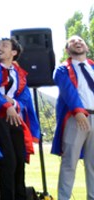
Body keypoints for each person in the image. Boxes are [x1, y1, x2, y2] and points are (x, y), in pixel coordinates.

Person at [0, 37, 39, 200]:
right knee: (8, 160)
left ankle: (20, 196)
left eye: (4, 45)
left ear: (14, 52)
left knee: (19, 158)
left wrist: (14, 103)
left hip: (14, 116)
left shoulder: (19, 74)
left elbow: (24, 97)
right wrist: (6, 105)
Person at [52, 35, 92, 200]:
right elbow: (68, 91)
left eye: (80, 40)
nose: (77, 42)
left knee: (93, 163)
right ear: (67, 50)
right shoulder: (62, 69)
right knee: (69, 162)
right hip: (76, 118)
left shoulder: (92, 67)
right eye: (73, 41)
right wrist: (78, 111)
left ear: (87, 47)